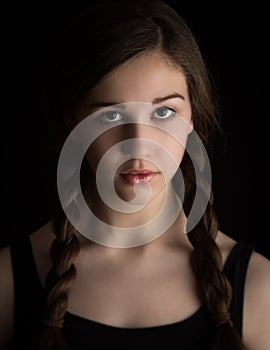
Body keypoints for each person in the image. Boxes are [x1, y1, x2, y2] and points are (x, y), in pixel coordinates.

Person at [0, 0, 269, 349]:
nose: (139, 145)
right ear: (74, 122)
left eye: (163, 112)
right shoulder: (9, 280)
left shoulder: (258, 286)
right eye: (110, 116)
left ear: (191, 118)